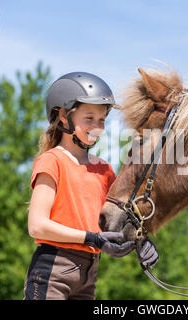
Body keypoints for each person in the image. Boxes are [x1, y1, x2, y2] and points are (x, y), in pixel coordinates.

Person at [23, 72, 158, 300]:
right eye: (89, 118)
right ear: (64, 116)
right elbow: (37, 226)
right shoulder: (52, 161)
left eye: (102, 120)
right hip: (53, 270)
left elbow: (118, 224)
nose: (97, 126)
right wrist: (90, 238)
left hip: (89, 275)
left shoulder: (105, 171)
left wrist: (141, 241)